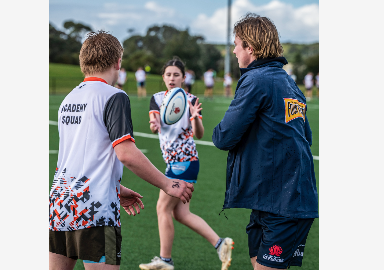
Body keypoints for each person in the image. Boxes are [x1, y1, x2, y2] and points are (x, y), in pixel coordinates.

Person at [49, 31, 194, 270]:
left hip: (60, 203)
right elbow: (126, 153)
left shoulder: (68, 99)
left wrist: (116, 187)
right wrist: (168, 184)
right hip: (93, 207)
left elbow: (80, 157)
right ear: (118, 62)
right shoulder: (114, 96)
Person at [212, 13, 318, 270]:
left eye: (237, 44)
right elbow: (307, 137)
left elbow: (224, 137)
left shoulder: (255, 79)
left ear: (251, 47)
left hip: (282, 203)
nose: (234, 50)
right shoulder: (289, 83)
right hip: (282, 199)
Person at [139, 57, 234, 270]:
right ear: (163, 77)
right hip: (174, 163)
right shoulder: (156, 99)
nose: (172, 78)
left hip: (183, 161)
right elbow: (154, 123)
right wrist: (154, 124)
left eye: (176, 75)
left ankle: (165, 261)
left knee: (162, 208)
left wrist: (195, 117)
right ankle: (221, 245)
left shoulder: (191, 100)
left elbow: (198, 134)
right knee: (181, 214)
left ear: (184, 77)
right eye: (168, 74)